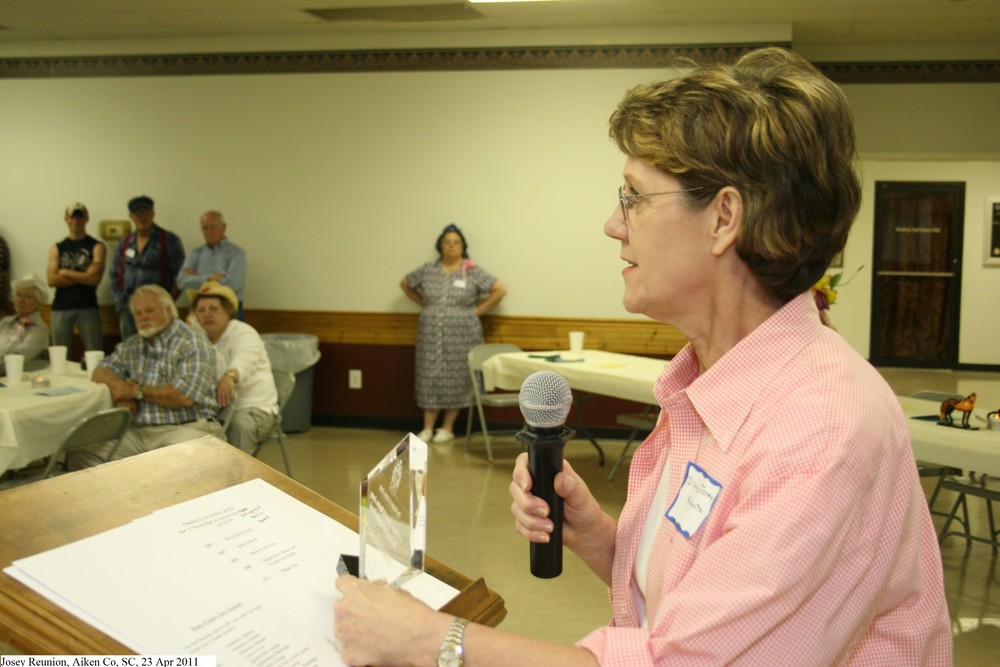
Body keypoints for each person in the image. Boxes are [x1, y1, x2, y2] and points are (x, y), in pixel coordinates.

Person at [334, 48, 951, 666]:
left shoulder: (818, 429)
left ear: (723, 218)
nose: (612, 223)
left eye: (633, 198)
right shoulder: (710, 380)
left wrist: (428, 642)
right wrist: (601, 536)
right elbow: (702, 603)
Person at [68, 284, 220, 470]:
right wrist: (119, 388)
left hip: (187, 428)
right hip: (138, 431)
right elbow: (100, 372)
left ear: (169, 310)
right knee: (83, 450)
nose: (143, 317)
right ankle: (123, 496)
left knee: (174, 466)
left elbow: (183, 396)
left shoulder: (192, 341)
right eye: (138, 313)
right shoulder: (132, 344)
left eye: (149, 310)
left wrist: (136, 391)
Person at [400, 224, 506, 443]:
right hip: (430, 333)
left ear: (462, 246)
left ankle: (447, 427)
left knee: (457, 376)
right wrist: (426, 304)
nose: (451, 246)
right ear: (440, 246)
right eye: (447, 242)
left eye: (455, 242)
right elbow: (405, 284)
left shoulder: (471, 271)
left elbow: (500, 289)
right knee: (429, 375)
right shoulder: (428, 269)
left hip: (463, 333)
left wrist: (479, 310)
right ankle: (428, 427)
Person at [191, 280, 278, 455]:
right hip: (215, 409)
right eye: (201, 310)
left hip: (253, 408)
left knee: (239, 425)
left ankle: (241, 478)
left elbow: (243, 359)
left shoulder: (244, 332)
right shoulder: (197, 338)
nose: (207, 314)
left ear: (228, 311)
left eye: (213, 308)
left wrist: (229, 377)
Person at [109, 195, 185, 340]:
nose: (142, 216)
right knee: (131, 350)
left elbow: (181, 277)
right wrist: (119, 298)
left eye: (145, 212)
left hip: (156, 310)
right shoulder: (125, 242)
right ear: (131, 216)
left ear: (153, 214)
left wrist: (167, 302)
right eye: (138, 213)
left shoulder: (168, 240)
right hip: (128, 309)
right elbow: (114, 274)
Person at [47, 202, 106, 355]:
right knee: (59, 355)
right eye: (72, 217)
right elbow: (52, 280)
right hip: (60, 307)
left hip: (88, 306)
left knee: (95, 353)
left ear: (86, 219)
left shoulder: (97, 246)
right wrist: (84, 276)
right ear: (66, 219)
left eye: (80, 217)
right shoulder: (57, 247)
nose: (76, 221)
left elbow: (94, 279)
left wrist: (65, 272)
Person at [177, 210, 248, 319]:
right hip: (199, 311)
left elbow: (232, 283)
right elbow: (181, 282)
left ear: (224, 227)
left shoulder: (237, 253)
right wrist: (210, 277)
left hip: (229, 310)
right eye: (205, 228)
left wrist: (195, 277)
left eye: (213, 227)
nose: (209, 231)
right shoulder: (195, 253)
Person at [0, 274, 50, 375]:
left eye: (28, 297)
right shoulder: (5, 322)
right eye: (18, 295)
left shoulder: (39, 329)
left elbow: (17, 357)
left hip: (18, 377)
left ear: (38, 302)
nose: (21, 300)